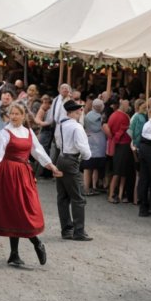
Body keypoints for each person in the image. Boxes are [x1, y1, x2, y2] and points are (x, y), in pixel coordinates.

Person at [0, 102, 62, 266]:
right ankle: (15, 253)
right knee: (14, 211)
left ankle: (36, 242)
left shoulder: (28, 131)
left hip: (24, 174)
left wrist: (51, 166)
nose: (14, 116)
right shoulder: (5, 133)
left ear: (23, 116)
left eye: (17, 114)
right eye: (12, 113)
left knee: (28, 209)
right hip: (9, 174)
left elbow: (38, 152)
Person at [54, 100, 93, 241]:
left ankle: (66, 230)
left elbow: (58, 142)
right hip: (71, 160)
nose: (80, 112)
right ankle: (79, 231)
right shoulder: (77, 127)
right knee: (78, 197)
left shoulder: (61, 124)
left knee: (63, 197)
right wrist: (86, 155)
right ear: (74, 112)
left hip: (61, 158)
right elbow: (84, 150)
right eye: (79, 110)